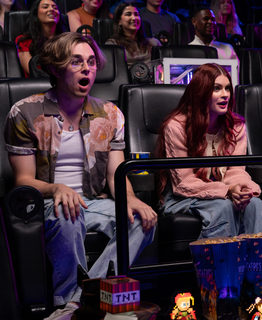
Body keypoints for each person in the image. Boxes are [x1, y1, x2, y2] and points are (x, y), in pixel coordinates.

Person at [4, 32, 157, 313]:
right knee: (68, 212)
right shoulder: (25, 111)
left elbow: (114, 174)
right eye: (76, 62)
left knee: (143, 220)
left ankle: (80, 300)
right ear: (55, 67)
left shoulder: (109, 114)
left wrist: (131, 199)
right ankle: (69, 299)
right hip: (48, 201)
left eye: (91, 62)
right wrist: (58, 189)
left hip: (93, 200)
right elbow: (23, 181)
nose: (87, 68)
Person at [155, 63, 262, 239]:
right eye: (217, 89)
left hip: (225, 191)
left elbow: (236, 170)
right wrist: (228, 190)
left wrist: (241, 189)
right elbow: (184, 183)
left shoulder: (236, 127)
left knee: (255, 204)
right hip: (182, 197)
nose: (225, 95)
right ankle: (219, 264)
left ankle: (255, 263)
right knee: (222, 206)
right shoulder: (177, 127)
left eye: (227, 89)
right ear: (201, 92)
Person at [15, 0, 67, 77]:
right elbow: (32, 70)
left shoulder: (66, 40)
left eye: (55, 8)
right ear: (36, 14)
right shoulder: (24, 40)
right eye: (45, 7)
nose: (51, 9)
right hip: (38, 84)